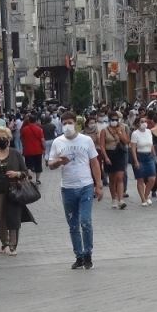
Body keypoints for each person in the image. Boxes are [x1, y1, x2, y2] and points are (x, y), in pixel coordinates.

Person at [48, 112, 103, 269]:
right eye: (64, 123)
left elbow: (94, 163)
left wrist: (98, 185)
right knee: (73, 225)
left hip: (85, 186)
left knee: (85, 221)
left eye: (70, 122)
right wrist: (58, 161)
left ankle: (88, 253)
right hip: (68, 188)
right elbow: (50, 164)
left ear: (76, 123)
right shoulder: (58, 142)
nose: (67, 126)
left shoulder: (86, 140)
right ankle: (78, 255)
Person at [0, 126, 36, 256]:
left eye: (4, 138)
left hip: (14, 192)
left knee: (14, 218)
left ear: (9, 139)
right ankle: (4, 242)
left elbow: (26, 173)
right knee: (0, 218)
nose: (1, 140)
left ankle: (13, 246)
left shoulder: (15, 154)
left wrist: (17, 174)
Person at [100, 112, 129, 209]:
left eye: (116, 120)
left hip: (119, 154)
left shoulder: (122, 128)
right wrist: (106, 157)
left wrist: (120, 133)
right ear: (109, 120)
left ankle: (121, 200)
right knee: (112, 179)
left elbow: (125, 141)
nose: (115, 121)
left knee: (120, 177)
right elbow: (102, 146)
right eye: (112, 120)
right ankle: (114, 199)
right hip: (109, 154)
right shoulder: (104, 131)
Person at [130, 117, 156, 207]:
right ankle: (143, 199)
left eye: (145, 121)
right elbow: (133, 148)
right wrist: (136, 160)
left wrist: (154, 155)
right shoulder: (135, 134)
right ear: (138, 123)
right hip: (139, 156)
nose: (144, 123)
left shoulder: (149, 132)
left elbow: (151, 144)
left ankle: (146, 195)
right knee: (140, 179)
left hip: (149, 157)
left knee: (152, 178)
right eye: (142, 122)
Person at [20, 114, 46, 185]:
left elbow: (21, 138)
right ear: (36, 120)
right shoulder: (39, 129)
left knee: (29, 166)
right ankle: (37, 180)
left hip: (28, 150)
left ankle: (30, 179)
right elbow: (42, 140)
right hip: (38, 150)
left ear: (29, 120)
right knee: (38, 165)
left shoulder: (24, 129)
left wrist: (24, 145)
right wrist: (44, 148)